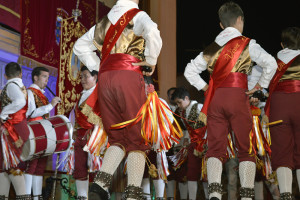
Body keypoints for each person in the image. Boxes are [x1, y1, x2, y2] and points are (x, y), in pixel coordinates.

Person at [184, 2, 277, 200]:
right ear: (240, 20)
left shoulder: (212, 48)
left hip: (216, 100)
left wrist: (206, 88)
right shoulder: (248, 43)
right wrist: (259, 87)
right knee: (245, 148)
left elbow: (189, 71)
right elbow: (271, 63)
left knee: (215, 149)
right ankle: (246, 195)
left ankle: (215, 193)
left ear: (221, 25)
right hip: (238, 97)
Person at [73, 0, 163, 198]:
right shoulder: (137, 15)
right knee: (137, 138)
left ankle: (100, 182)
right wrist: (151, 59)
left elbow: (79, 46)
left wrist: (99, 66)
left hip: (105, 80)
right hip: (128, 76)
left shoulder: (103, 22)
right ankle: (132, 193)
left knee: (117, 138)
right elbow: (153, 32)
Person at [264, 27, 300, 200]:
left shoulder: (271, 61)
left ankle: (285, 195)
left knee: (282, 151)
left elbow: (259, 83)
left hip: (278, 105)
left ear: (281, 44)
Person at [24, 66, 61, 200]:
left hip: (43, 133)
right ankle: (26, 196)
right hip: (33, 133)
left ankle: (37, 197)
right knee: (32, 166)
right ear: (36, 77)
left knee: (40, 167)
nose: (46, 80)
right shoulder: (29, 92)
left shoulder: (41, 94)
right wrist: (51, 105)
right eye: (44, 76)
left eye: (47, 77)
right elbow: (31, 113)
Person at [0, 62, 31, 199]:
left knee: (12, 164)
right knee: (6, 164)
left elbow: (20, 102)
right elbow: (27, 109)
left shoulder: (10, 86)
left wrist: (3, 114)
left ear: (5, 75)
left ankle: (22, 196)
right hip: (21, 128)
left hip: (12, 130)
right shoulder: (23, 88)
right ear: (21, 73)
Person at [171, 87, 208, 200]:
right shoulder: (183, 112)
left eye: (179, 102)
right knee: (192, 173)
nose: (178, 105)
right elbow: (189, 130)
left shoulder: (199, 107)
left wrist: (207, 142)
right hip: (193, 145)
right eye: (176, 103)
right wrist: (187, 140)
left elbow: (209, 125)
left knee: (206, 174)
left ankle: (209, 197)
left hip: (205, 145)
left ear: (186, 98)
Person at [73, 66, 104, 200]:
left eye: (86, 76)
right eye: (81, 77)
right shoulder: (80, 96)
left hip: (95, 137)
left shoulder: (100, 94)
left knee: (97, 169)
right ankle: (82, 197)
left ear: (95, 77)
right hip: (79, 137)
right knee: (79, 168)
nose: (82, 80)